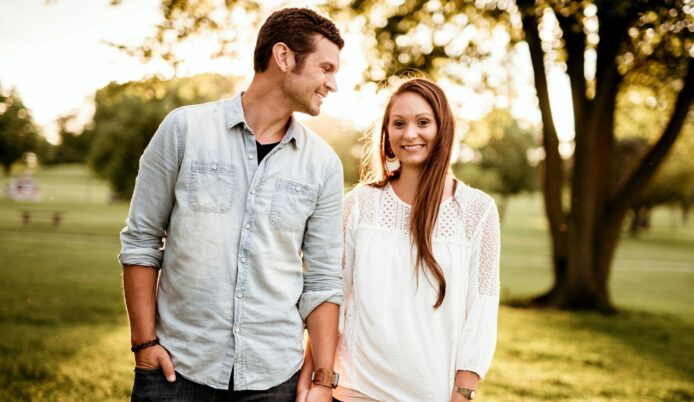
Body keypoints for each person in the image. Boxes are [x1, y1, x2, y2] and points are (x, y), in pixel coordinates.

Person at [119, 8, 345, 402]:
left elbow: (324, 279)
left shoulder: (323, 164)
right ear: (284, 57)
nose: (333, 84)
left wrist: (323, 381)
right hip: (176, 372)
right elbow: (141, 242)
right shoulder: (183, 130)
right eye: (325, 68)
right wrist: (144, 344)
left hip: (274, 380)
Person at [300, 77, 501, 401]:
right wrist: (318, 381)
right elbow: (331, 296)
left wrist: (463, 392)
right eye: (398, 123)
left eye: (423, 122)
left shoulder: (478, 210)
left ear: (443, 128)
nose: (409, 133)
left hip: (430, 393)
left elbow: (482, 312)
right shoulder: (358, 204)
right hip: (354, 390)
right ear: (387, 134)